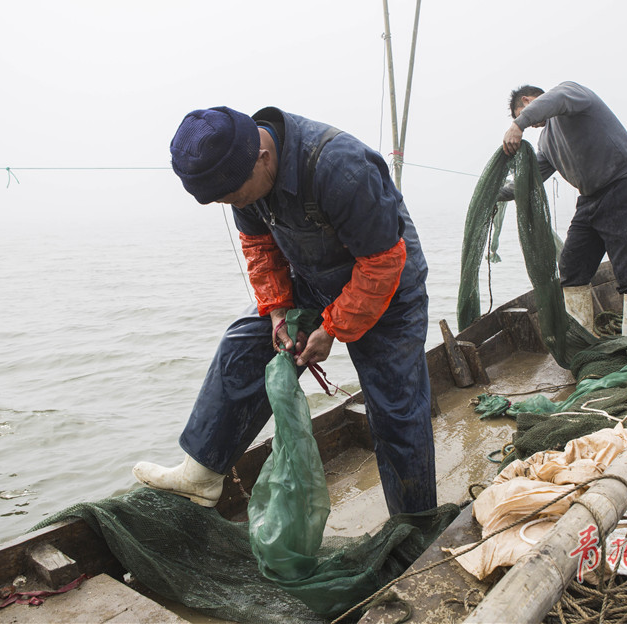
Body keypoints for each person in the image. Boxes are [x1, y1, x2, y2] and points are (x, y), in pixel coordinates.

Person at [133, 106, 437, 516]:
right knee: (243, 342)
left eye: (234, 196)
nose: (233, 204)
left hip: (389, 284)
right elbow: (260, 248)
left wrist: (332, 329)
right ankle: (202, 473)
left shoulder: (340, 168)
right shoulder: (237, 171)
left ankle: (415, 523)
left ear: (263, 157)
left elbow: (382, 263)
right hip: (311, 277)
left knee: (396, 409)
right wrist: (277, 310)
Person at [503, 82, 627, 336]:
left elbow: (556, 99)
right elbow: (531, 177)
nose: (530, 125)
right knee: (572, 267)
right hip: (590, 199)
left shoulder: (569, 95)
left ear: (529, 102)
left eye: (523, 115)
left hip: (623, 184)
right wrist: (496, 194)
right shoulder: (547, 142)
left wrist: (519, 124)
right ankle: (583, 336)